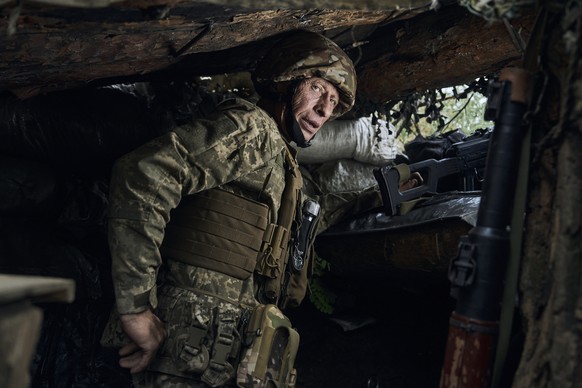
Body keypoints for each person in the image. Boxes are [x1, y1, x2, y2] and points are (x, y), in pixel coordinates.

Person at [102, 29, 359, 387]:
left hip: (218, 359)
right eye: (318, 88)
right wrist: (136, 308)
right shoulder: (253, 130)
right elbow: (146, 173)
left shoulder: (283, 163)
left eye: (333, 101)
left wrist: (381, 193)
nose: (324, 109)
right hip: (182, 355)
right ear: (286, 81)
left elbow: (308, 222)